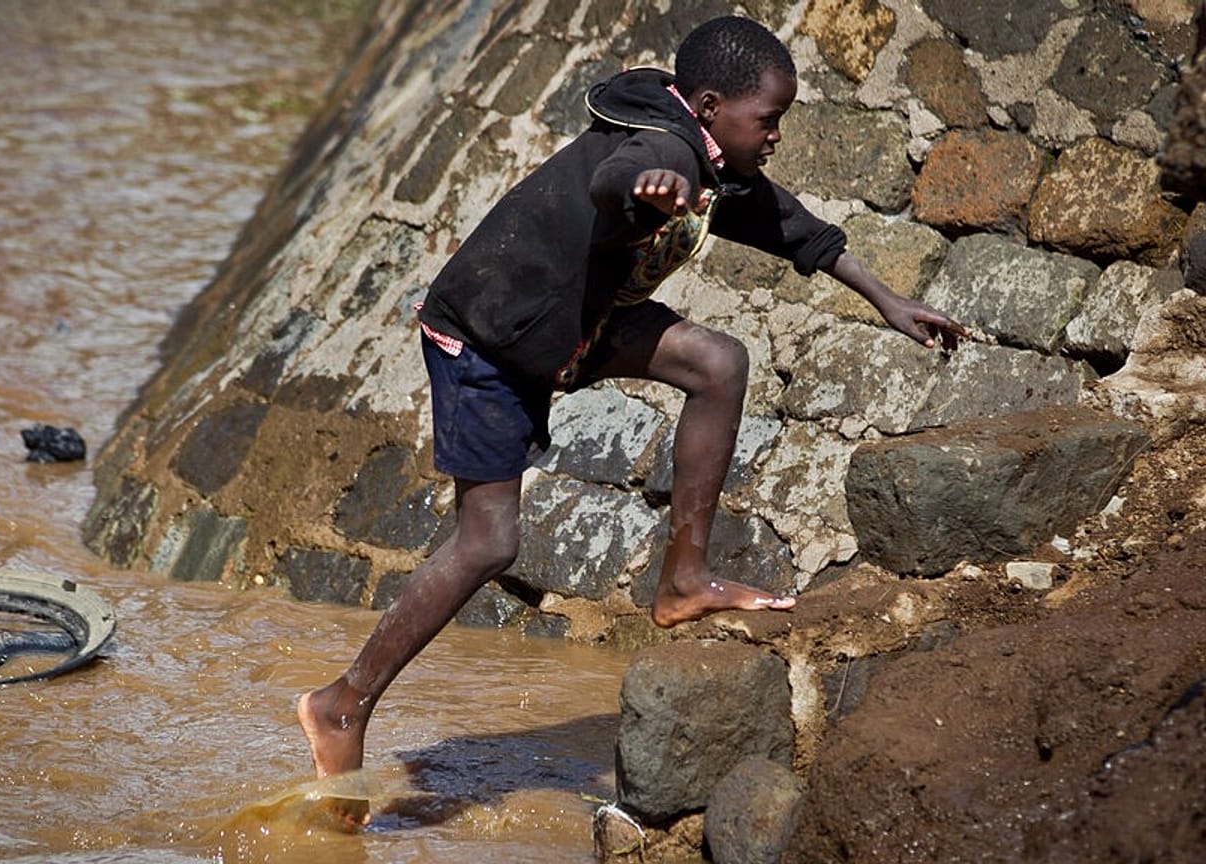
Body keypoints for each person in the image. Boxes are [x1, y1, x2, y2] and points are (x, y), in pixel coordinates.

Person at [298, 15, 965, 828]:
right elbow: (619, 175)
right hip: (488, 335)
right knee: (489, 540)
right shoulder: (666, 150)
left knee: (717, 363)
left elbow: (790, 225)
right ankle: (343, 701)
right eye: (770, 119)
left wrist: (888, 299)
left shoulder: (709, 152)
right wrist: (646, 190)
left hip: (568, 324)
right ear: (713, 106)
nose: (778, 135)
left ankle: (684, 581)